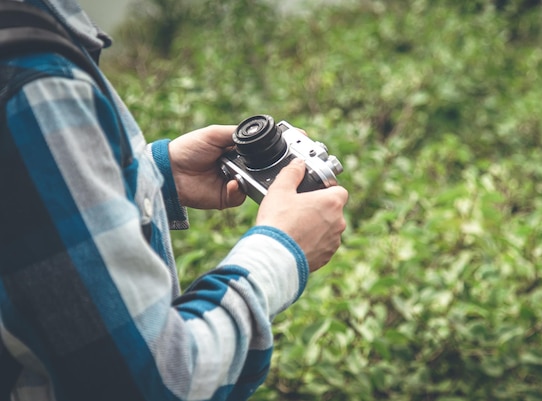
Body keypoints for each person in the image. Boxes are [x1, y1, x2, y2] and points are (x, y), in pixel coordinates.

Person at [0, 0, 349, 400]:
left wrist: (153, 175)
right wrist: (283, 253)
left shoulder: (30, 41)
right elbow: (155, 382)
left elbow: (22, 220)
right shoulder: (36, 79)